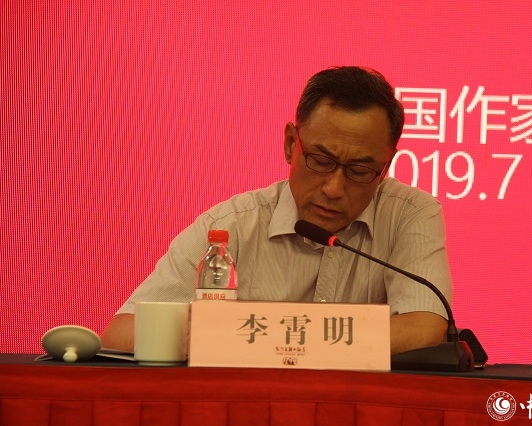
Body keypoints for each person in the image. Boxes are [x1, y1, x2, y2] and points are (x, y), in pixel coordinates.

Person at [101, 66, 454, 356]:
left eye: (360, 171)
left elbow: (424, 327)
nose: (334, 188)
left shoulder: (410, 214)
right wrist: (218, 336)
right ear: (290, 144)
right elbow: (122, 332)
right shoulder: (232, 225)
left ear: (386, 166)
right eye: (321, 161)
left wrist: (258, 337)